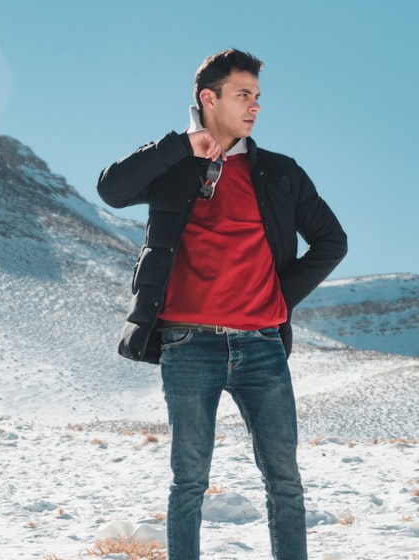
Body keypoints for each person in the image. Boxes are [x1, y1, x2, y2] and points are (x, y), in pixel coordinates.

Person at [97, 49, 347, 560]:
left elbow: (331, 242)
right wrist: (180, 146)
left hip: (262, 349)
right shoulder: (172, 165)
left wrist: (277, 297)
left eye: (257, 96)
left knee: (285, 481)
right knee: (188, 481)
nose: (255, 106)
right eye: (243, 95)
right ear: (208, 98)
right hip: (188, 345)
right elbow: (112, 189)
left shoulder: (280, 173)